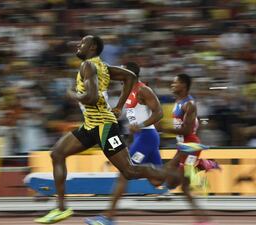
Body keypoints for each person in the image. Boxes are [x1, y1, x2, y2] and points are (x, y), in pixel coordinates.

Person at [34, 35, 175, 224]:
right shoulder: (103, 67)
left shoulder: (89, 66)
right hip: (90, 125)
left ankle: (171, 173)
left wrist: (72, 94)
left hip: (104, 127)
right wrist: (119, 106)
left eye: (82, 42)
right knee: (57, 154)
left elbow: (91, 97)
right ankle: (61, 209)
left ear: (92, 47)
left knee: (129, 172)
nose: (78, 44)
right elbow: (130, 77)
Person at [85, 62, 164, 225]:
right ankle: (180, 172)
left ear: (128, 74)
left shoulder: (143, 90)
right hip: (141, 138)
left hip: (147, 137)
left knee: (123, 174)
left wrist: (141, 126)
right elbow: (133, 120)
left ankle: (108, 218)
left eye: (121, 71)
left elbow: (159, 113)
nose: (117, 74)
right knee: (157, 181)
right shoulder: (127, 92)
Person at [160, 73, 217, 225]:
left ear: (183, 85)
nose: (172, 85)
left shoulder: (189, 104)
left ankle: (204, 165)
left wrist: (164, 129)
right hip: (182, 147)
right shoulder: (178, 101)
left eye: (175, 83)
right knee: (179, 186)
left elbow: (187, 130)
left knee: (174, 179)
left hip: (191, 147)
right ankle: (202, 219)